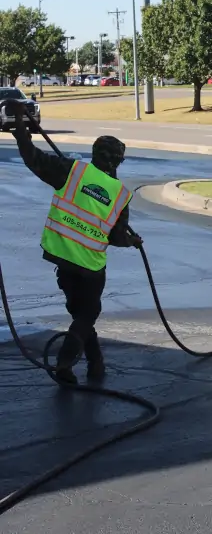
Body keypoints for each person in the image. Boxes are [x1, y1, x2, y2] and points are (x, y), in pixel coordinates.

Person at [5, 100, 142, 385]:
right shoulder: (120, 194)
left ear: (95, 155)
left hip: (62, 258)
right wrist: (131, 241)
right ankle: (64, 365)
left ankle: (95, 362)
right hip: (90, 266)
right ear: (117, 161)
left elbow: (32, 157)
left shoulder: (72, 171)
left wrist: (20, 128)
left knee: (82, 315)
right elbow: (116, 237)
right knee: (88, 313)